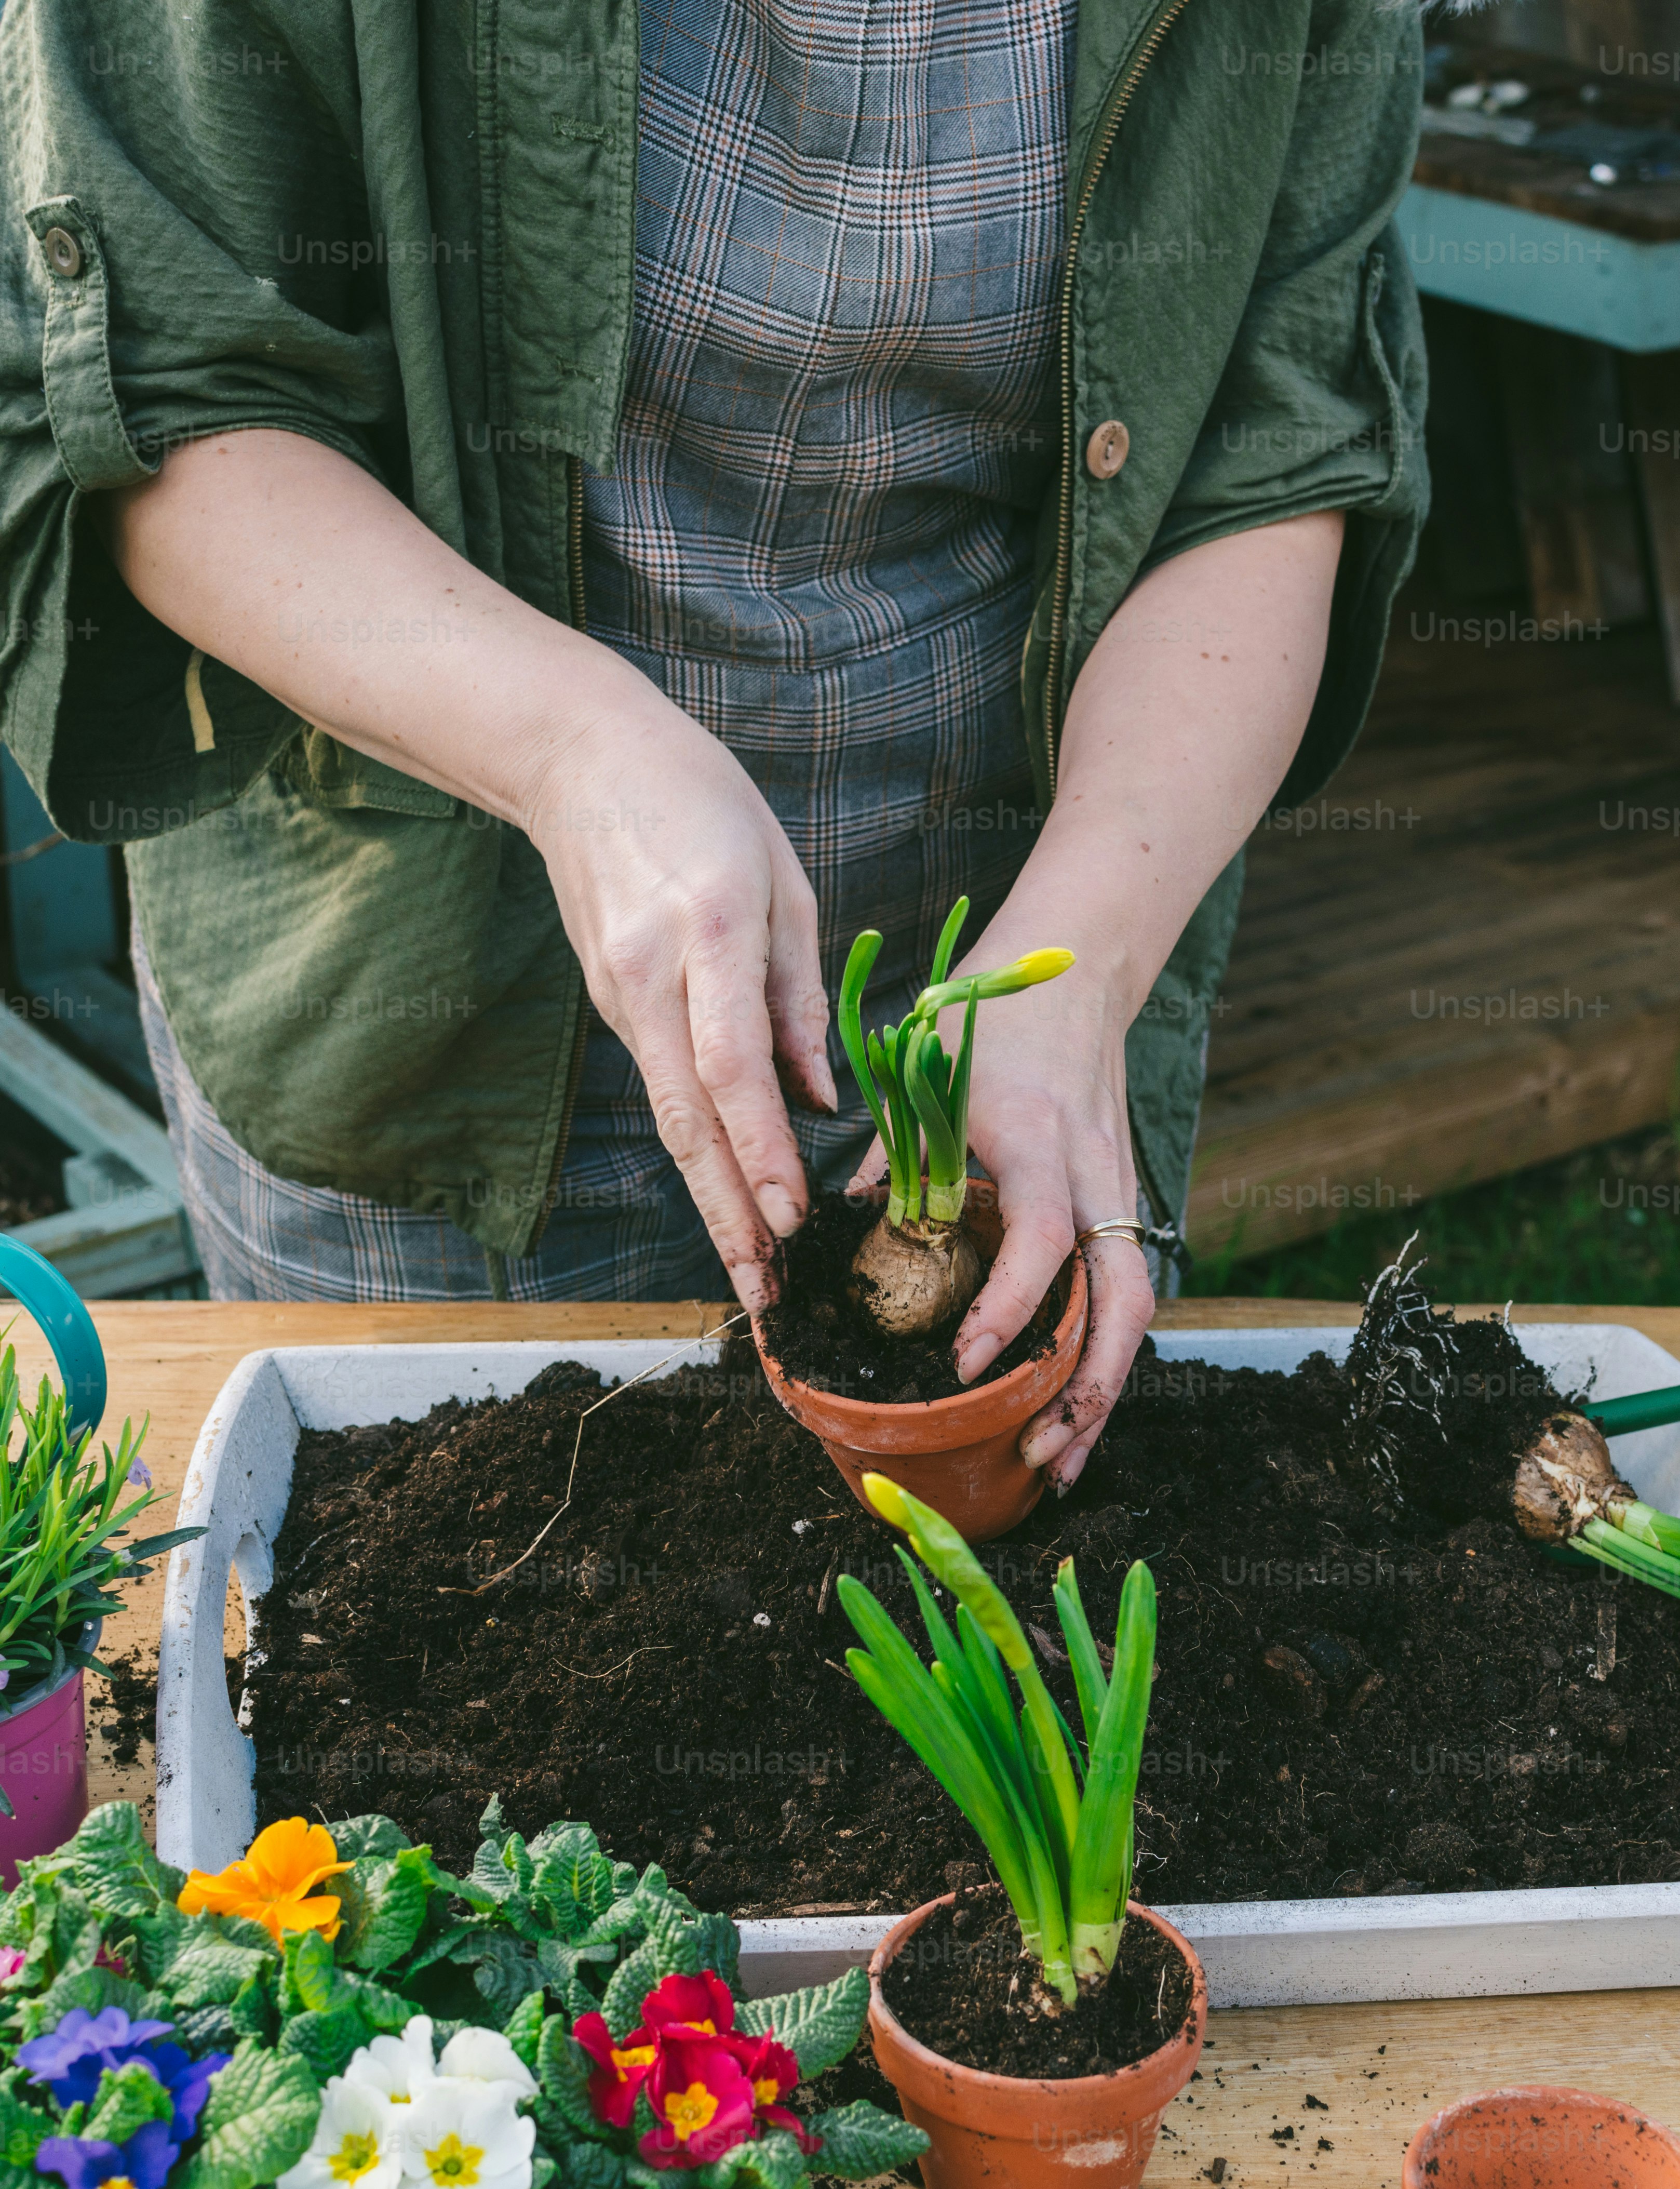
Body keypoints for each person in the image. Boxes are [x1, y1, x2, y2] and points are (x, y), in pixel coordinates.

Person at [0, 0, 1428, 1492]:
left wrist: (1080, 969)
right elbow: (171, 401)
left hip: (1018, 976)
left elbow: (1271, 460)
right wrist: (572, 748)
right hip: (427, 998)